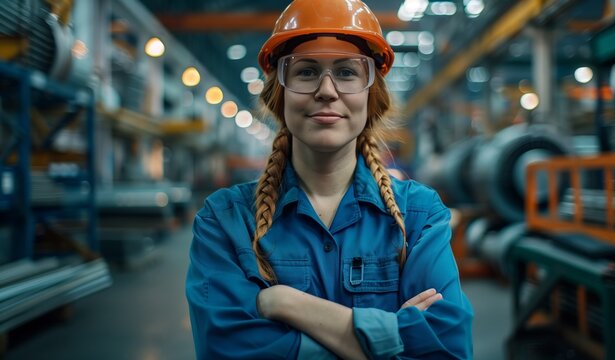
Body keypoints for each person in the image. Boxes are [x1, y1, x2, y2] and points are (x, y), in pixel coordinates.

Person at [185, 0, 473, 358]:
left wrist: (287, 303)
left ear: (372, 95)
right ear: (280, 94)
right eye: (305, 71)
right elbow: (225, 349)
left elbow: (448, 347)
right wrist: (391, 337)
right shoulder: (225, 221)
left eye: (347, 72)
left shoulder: (419, 215)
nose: (326, 90)